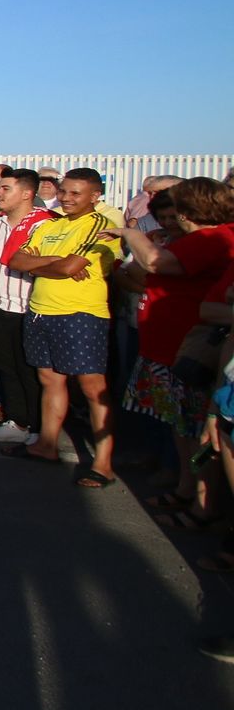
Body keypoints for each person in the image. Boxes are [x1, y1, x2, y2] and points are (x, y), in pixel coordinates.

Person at [110, 178, 234, 524]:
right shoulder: (192, 240)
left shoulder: (211, 238)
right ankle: (185, 490)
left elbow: (151, 263)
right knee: (182, 429)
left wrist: (129, 233)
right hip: (167, 347)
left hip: (188, 350)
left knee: (197, 434)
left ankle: (202, 506)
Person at [9, 168, 125, 487]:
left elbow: (71, 266)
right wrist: (54, 264)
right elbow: (16, 261)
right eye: (63, 191)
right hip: (40, 311)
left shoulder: (102, 225)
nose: (66, 198)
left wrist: (49, 264)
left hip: (80, 313)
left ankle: (103, 463)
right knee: (49, 379)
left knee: (91, 387)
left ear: (94, 196)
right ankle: (47, 445)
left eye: (76, 193)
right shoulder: (50, 225)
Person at [0, 170, 52, 444]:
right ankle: (17, 421)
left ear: (26, 193)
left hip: (28, 308)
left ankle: (38, 427)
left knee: (30, 371)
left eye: (5, 188)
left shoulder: (44, 225)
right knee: (5, 368)